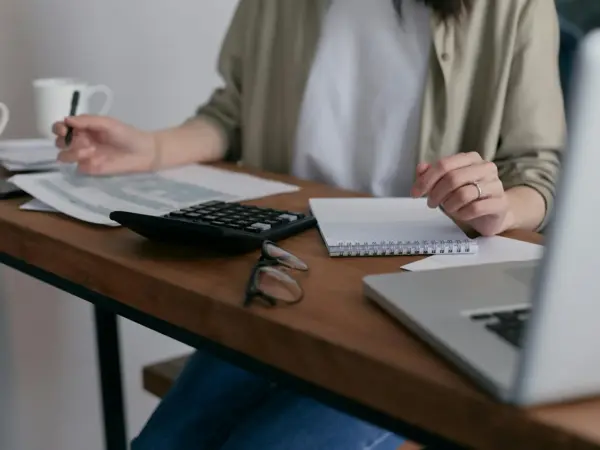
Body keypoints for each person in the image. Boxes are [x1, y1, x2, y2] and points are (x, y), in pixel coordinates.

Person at [53, 0, 566, 448]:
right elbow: (232, 113)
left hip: (417, 301)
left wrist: (499, 207)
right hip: (283, 279)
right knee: (162, 443)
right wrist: (154, 148)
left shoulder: (513, 5)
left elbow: (537, 171)